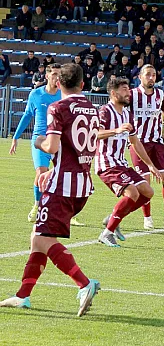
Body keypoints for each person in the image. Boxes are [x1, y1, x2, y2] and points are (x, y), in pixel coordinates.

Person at [0, 63, 101, 315]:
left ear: (59, 84)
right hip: (83, 184)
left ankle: (84, 284)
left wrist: (37, 141)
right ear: (82, 84)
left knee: (43, 238)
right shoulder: (92, 109)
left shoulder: (58, 108)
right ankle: (23, 295)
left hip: (62, 186)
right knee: (37, 238)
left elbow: (52, 146)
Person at [96, 77, 162, 247]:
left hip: (121, 164)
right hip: (107, 164)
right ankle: (107, 233)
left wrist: (150, 165)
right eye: (124, 90)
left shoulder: (127, 114)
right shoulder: (105, 111)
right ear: (113, 93)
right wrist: (116, 130)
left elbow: (135, 143)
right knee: (132, 193)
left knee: (147, 192)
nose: (128, 93)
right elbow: (95, 133)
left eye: (128, 89)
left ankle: (113, 219)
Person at [10, 64, 69, 223]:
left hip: (58, 140)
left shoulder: (64, 95)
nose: (57, 77)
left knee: (63, 176)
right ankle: (38, 206)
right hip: (40, 140)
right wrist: (16, 137)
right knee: (42, 174)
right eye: (55, 74)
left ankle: (64, 210)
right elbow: (27, 115)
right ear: (47, 76)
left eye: (60, 75)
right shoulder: (36, 94)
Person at [128, 65, 164, 229]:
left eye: (154, 75)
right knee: (145, 181)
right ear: (140, 77)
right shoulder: (132, 95)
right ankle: (147, 218)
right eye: (147, 74)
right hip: (138, 143)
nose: (151, 78)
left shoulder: (161, 95)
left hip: (156, 142)